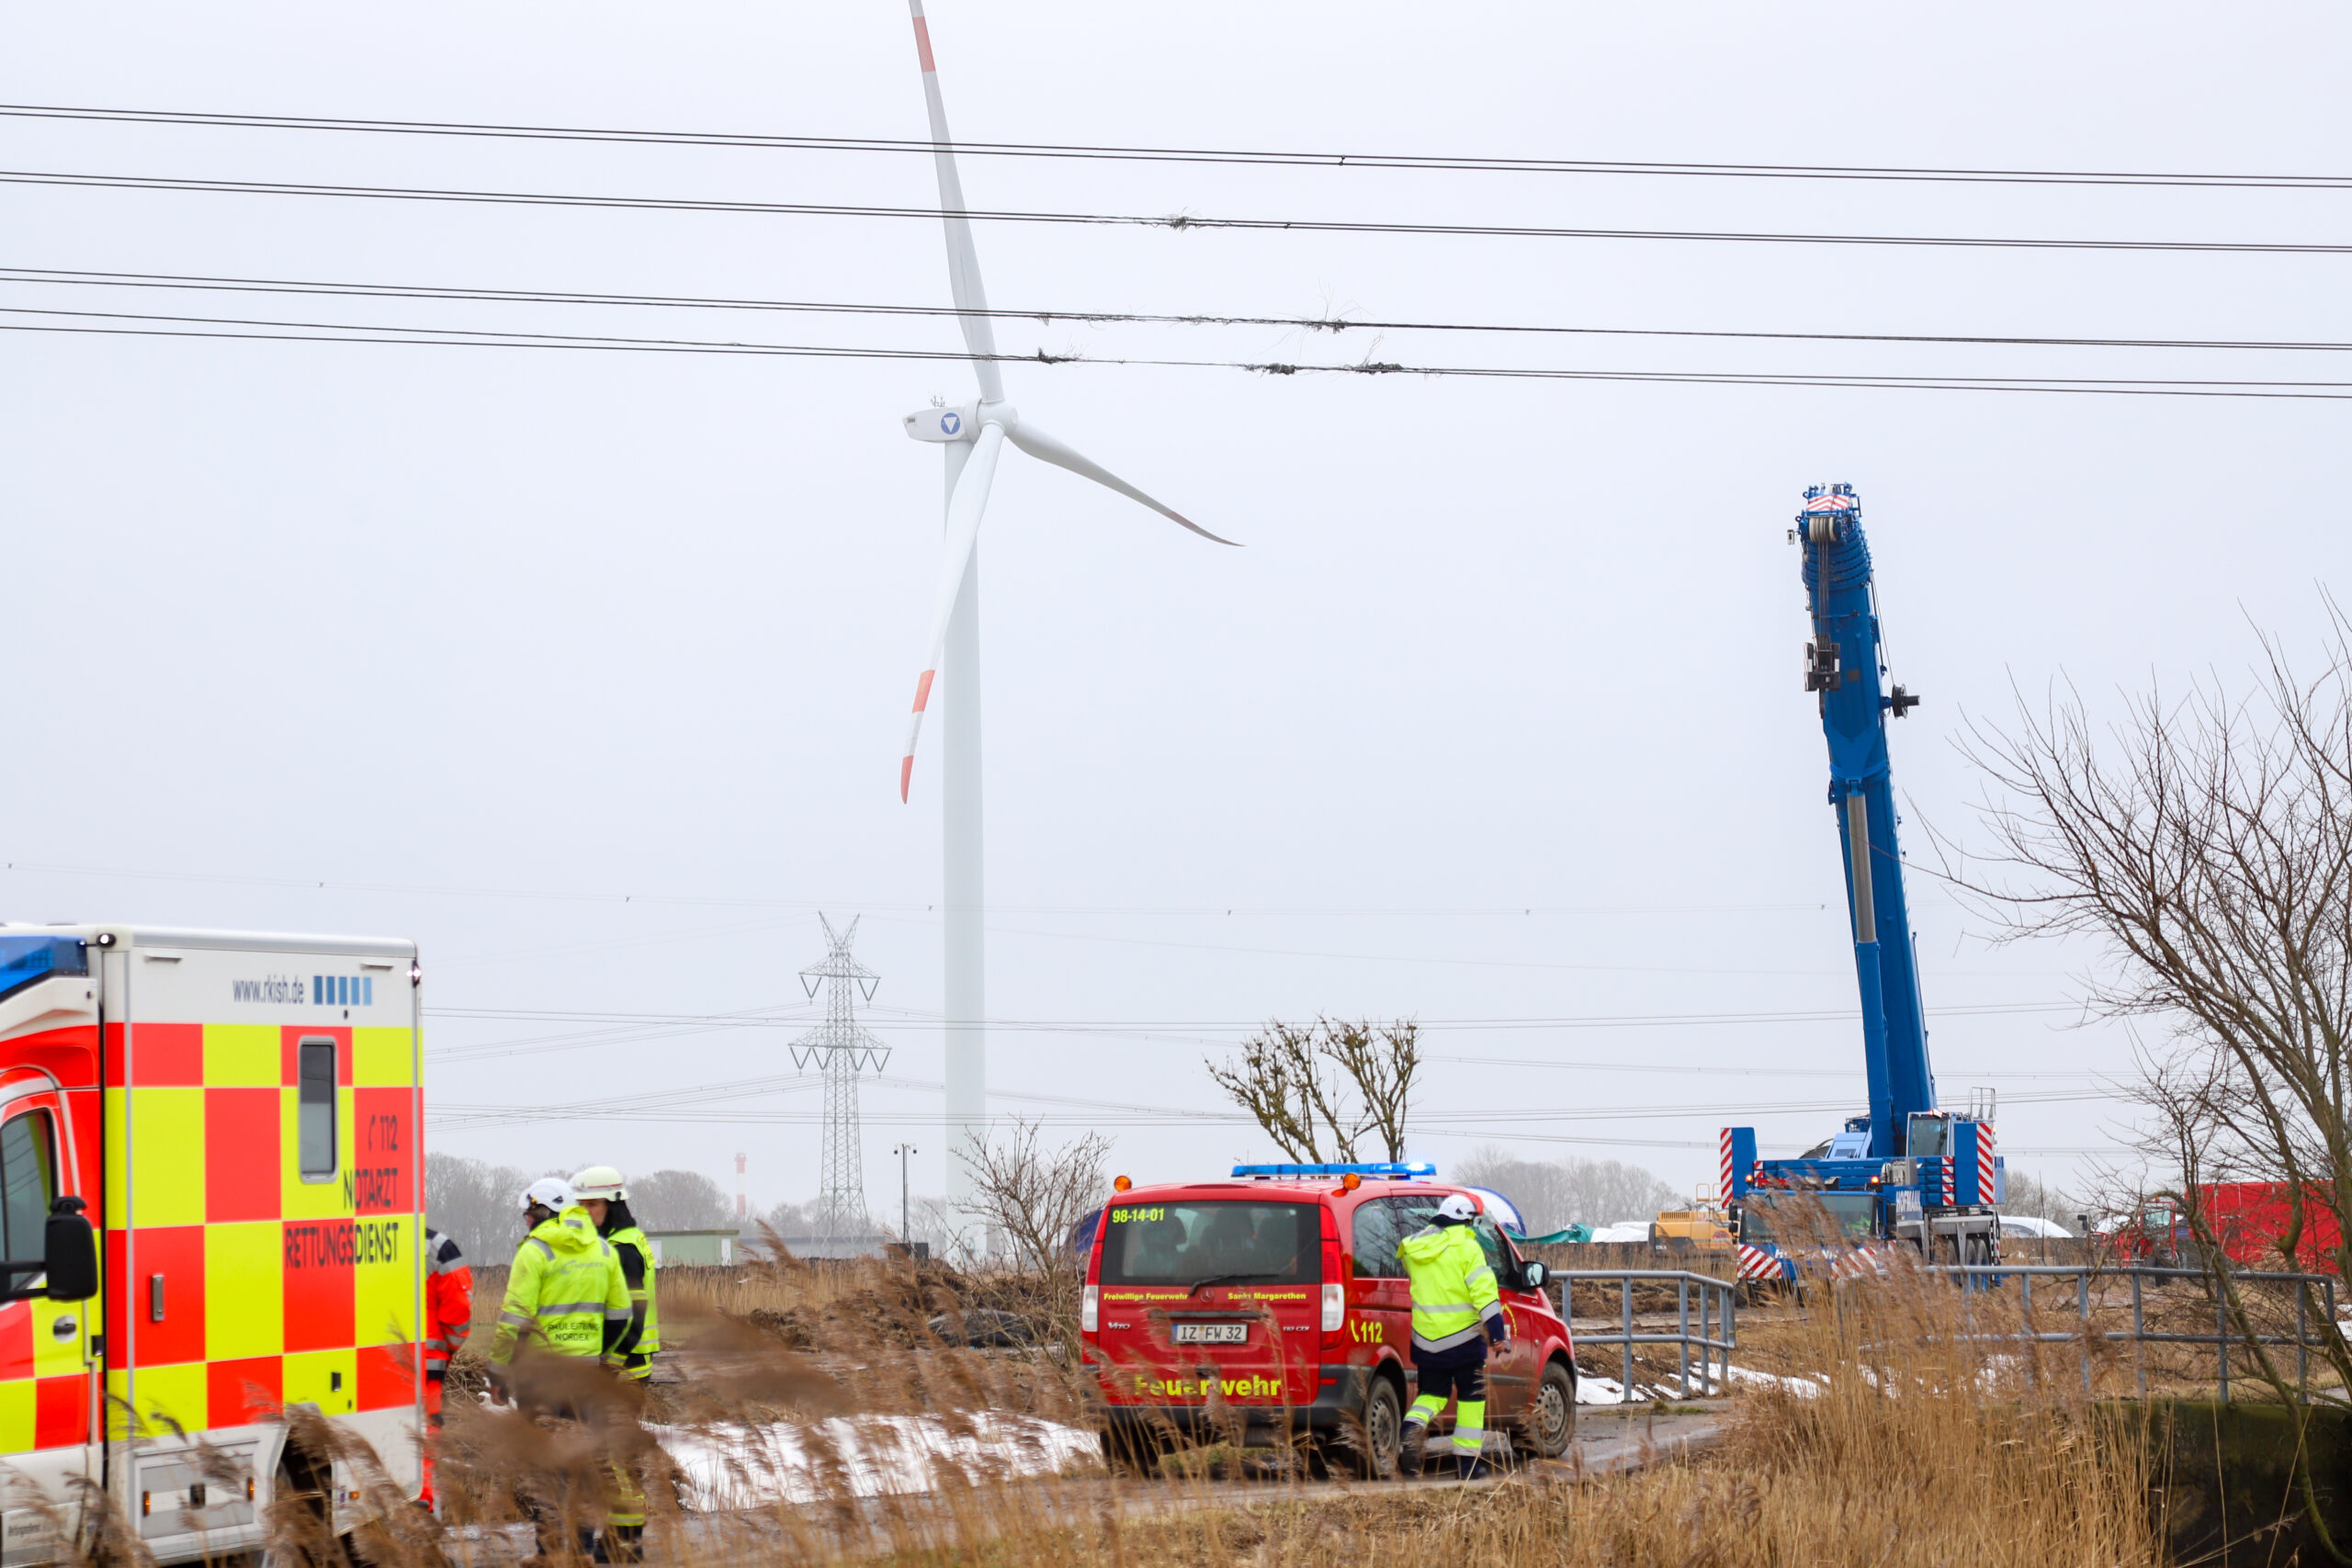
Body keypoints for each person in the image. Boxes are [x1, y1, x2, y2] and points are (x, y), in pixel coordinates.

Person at [487, 1178, 641, 1561]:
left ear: (543, 1212)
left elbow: (513, 1320)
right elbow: (621, 1315)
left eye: (528, 1215)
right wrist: (601, 1358)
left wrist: (498, 1374)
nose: (526, 1222)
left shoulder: (535, 1251)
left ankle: (551, 1553)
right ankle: (582, 1549)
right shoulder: (602, 1249)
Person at [1396, 1191, 1510, 1481]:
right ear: (1465, 1220)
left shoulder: (1414, 1249)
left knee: (1431, 1395)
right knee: (1471, 1398)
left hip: (1425, 1340)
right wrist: (1497, 1334)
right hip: (1464, 1341)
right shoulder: (1468, 1249)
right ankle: (1468, 1466)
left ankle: (1411, 1428)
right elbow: (1485, 1296)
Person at [571, 1167, 658, 1385]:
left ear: (612, 1205)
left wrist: (609, 1366)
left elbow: (634, 1314)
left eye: (592, 1204)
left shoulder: (622, 1249)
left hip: (625, 1368)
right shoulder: (629, 1237)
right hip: (627, 1362)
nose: (585, 1212)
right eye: (581, 1205)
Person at [418, 1225, 473, 1514]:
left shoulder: (353, 1232)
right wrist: (447, 1350)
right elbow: (459, 1311)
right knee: (422, 1437)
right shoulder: (437, 1247)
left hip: (362, 1362)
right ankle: (422, 1504)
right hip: (426, 1365)